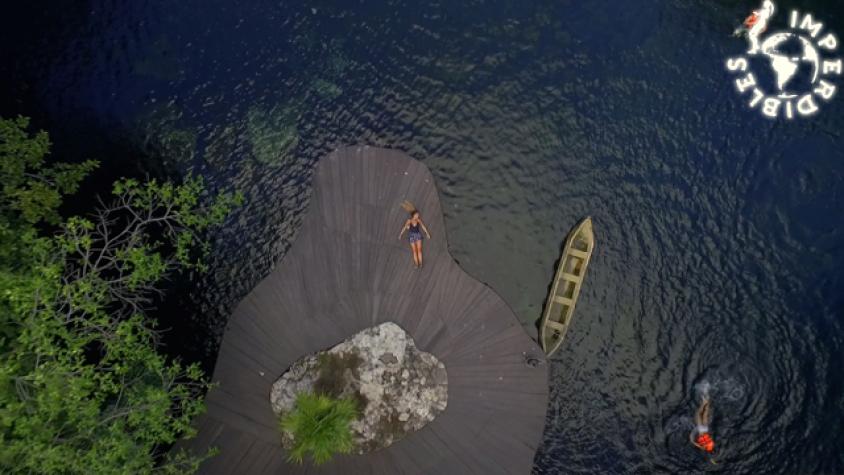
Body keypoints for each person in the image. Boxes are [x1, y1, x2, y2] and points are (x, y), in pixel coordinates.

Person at [398, 200, 431, 268]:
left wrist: (427, 233)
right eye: (417, 215)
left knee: (419, 250)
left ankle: (420, 263)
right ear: (414, 215)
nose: (418, 215)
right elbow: (404, 227)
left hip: (417, 235)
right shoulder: (409, 221)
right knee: (414, 251)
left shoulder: (418, 220)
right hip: (411, 236)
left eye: (418, 215)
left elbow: (423, 226)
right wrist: (400, 234)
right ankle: (416, 264)